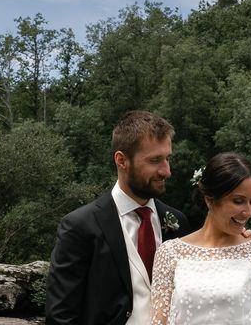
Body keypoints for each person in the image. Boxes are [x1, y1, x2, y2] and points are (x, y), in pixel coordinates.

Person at [46, 110, 191, 325]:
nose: (166, 171)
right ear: (122, 160)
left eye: (167, 158)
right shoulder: (79, 227)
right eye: (155, 160)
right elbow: (60, 317)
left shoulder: (178, 222)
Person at [151, 152, 251, 325]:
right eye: (238, 201)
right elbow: (159, 321)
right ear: (210, 200)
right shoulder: (169, 253)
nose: (248, 212)